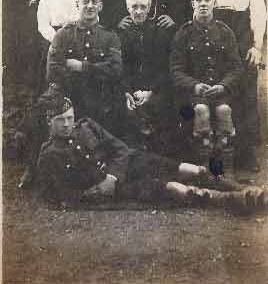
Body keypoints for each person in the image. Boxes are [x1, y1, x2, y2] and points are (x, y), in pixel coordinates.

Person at [36, 94, 265, 210]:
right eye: (60, 120)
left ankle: (244, 189)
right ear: (49, 121)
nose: (67, 124)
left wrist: (112, 175)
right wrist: (94, 191)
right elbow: (60, 195)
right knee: (172, 187)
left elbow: (120, 149)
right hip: (115, 188)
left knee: (186, 168)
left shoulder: (86, 125)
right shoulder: (49, 155)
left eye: (69, 118)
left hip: (127, 164)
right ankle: (236, 199)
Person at [201, 0, 266, 171]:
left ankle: (247, 155)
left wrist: (257, 45)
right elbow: (203, 8)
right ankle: (219, 154)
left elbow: (258, 11)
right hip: (217, 31)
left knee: (246, 93)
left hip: (241, 32)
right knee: (220, 91)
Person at [170, 0, 243, 177]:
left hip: (221, 92)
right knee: (201, 111)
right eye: (198, 0)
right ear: (192, 4)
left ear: (214, 3)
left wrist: (223, 86)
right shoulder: (183, 33)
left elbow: (236, 67)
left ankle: (226, 170)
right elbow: (176, 71)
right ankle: (205, 170)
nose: (203, 4)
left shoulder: (225, 32)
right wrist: (195, 86)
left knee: (224, 111)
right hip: (193, 95)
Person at [47, 0, 123, 132]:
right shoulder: (63, 35)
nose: (90, 6)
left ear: (100, 6)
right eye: (85, 1)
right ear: (77, 4)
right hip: (70, 103)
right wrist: (97, 71)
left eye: (94, 2)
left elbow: (116, 70)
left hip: (102, 104)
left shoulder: (110, 36)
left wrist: (81, 67)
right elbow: (52, 71)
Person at [118, 0, 176, 153]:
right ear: (128, 9)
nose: (138, 11)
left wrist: (151, 92)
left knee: (161, 107)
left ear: (149, 8)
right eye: (134, 7)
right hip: (130, 91)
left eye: (143, 7)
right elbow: (120, 68)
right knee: (126, 111)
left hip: (156, 89)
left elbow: (167, 67)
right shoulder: (121, 34)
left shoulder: (161, 32)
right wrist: (127, 92)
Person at [36, 0, 80, 93]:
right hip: (53, 44)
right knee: (54, 88)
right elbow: (42, 23)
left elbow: (93, 18)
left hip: (78, 43)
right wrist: (57, 40)